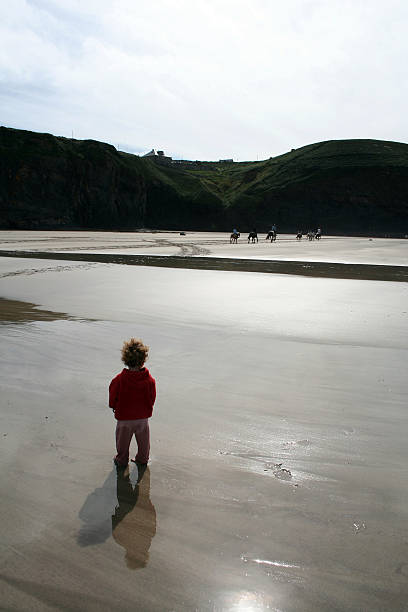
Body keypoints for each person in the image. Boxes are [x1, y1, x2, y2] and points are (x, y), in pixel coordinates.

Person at [109, 338, 156, 468]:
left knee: (122, 442)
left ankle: (122, 459)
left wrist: (113, 405)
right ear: (143, 359)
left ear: (125, 359)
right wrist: (148, 408)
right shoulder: (150, 380)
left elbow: (113, 395)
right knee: (144, 442)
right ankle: (142, 458)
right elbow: (152, 397)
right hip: (142, 418)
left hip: (124, 418)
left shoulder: (119, 379)